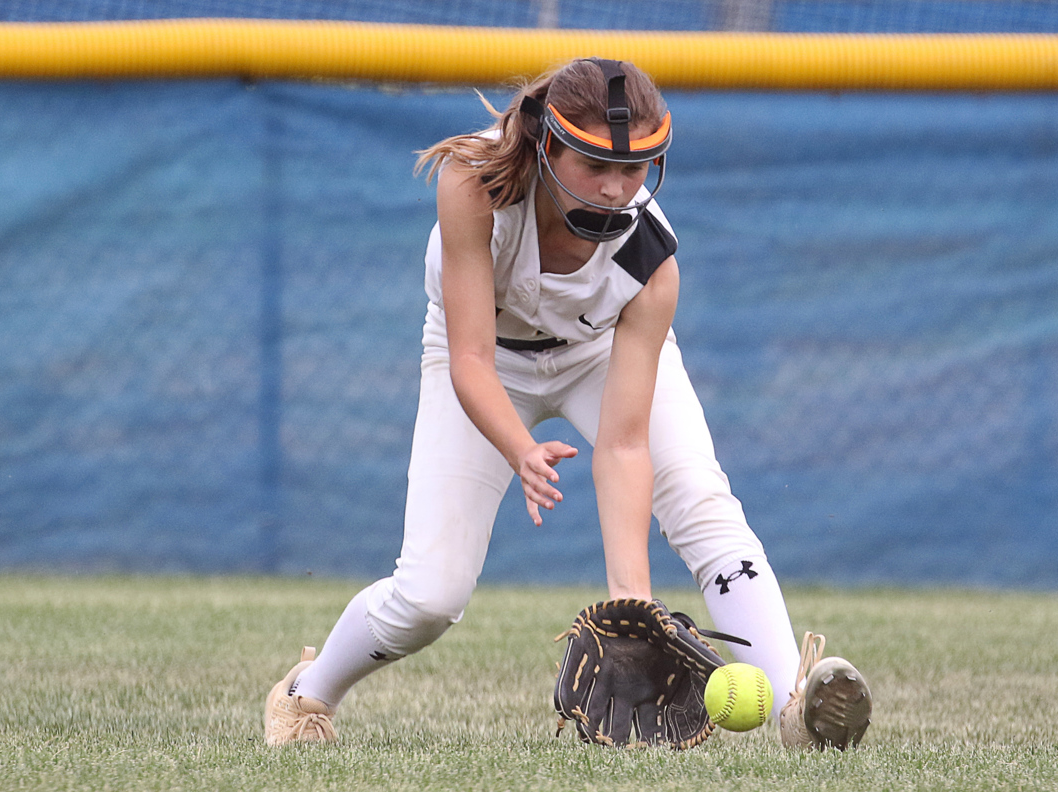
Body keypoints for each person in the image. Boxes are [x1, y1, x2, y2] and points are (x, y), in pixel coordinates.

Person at [263, 57, 871, 750]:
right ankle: (303, 696)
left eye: (636, 168)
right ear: (548, 146)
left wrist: (632, 604)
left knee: (703, 504)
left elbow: (624, 445)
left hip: (597, 352)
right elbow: (469, 360)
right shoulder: (476, 184)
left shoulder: (651, 261)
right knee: (430, 595)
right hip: (488, 359)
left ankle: (796, 706)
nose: (616, 190)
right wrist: (520, 451)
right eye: (593, 164)